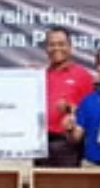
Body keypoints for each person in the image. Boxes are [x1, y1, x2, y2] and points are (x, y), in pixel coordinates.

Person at [38, 26, 94, 168]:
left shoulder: (83, 76)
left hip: (67, 144)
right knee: (40, 187)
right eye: (52, 44)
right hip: (40, 143)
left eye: (61, 44)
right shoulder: (40, 76)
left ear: (70, 47)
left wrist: (71, 108)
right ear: (46, 48)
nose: (56, 48)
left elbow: (91, 113)